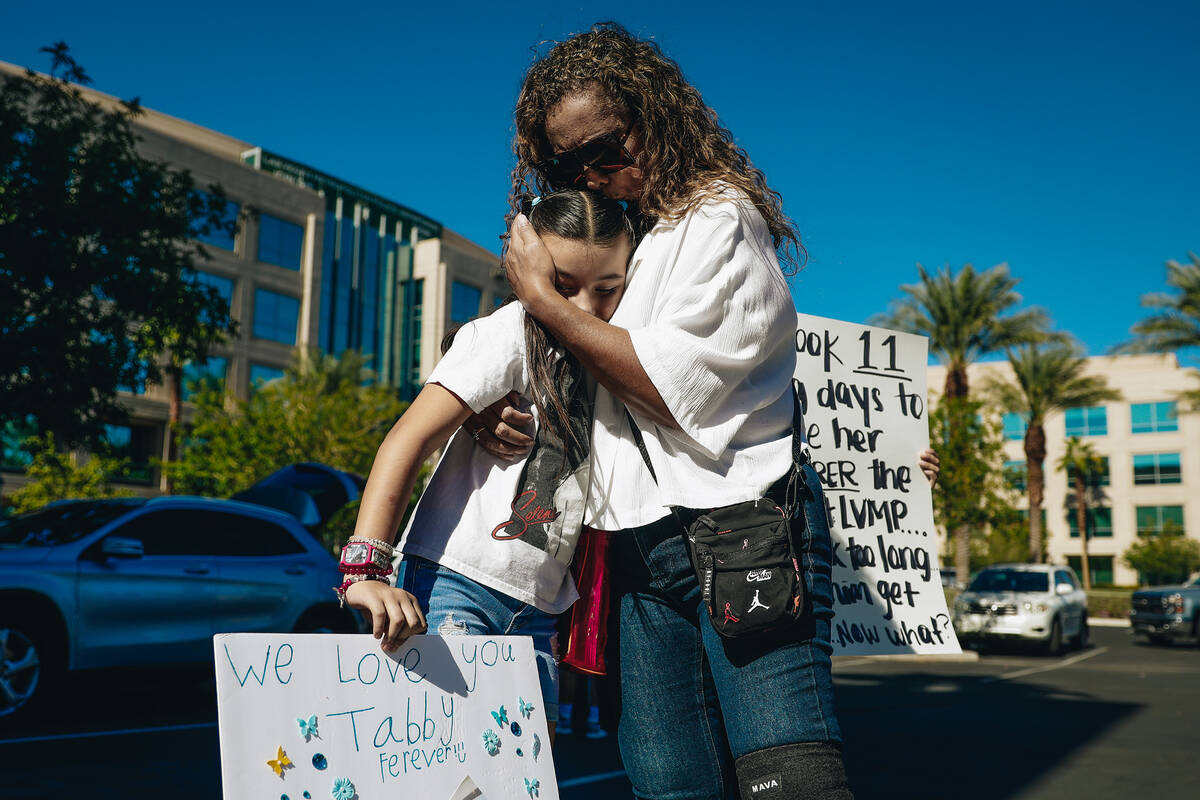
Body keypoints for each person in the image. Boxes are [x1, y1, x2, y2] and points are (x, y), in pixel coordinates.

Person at [478, 22, 943, 800]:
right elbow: (571, 382)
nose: (592, 175)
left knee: (784, 780)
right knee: (669, 786)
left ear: (655, 117)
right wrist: (490, 415)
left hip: (740, 532)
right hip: (631, 553)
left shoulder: (717, 220)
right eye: (567, 163)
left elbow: (667, 389)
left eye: (608, 148)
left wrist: (541, 298)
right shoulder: (623, 247)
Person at [340, 189, 636, 732]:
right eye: (563, 287)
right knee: (441, 762)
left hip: (540, 606)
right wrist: (365, 571)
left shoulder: (619, 358)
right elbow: (406, 440)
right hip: (453, 584)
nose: (586, 308)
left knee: (519, 777)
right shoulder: (509, 332)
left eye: (608, 288)